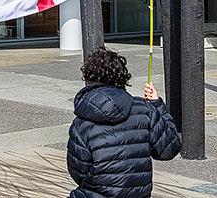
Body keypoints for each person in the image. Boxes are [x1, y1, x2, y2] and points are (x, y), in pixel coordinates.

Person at [67, 46, 181, 198]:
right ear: (122, 76)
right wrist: (157, 105)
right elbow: (169, 149)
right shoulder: (145, 109)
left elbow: (78, 171)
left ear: (89, 78)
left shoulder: (81, 122)